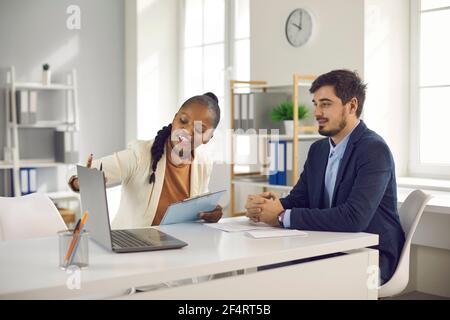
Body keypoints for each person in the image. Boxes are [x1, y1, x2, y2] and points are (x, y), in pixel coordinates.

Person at [245, 70, 405, 284]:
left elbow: (354, 218)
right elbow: (300, 199)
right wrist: (267, 207)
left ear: (352, 106)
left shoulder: (374, 150)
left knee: (286, 276)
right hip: (330, 246)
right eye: (315, 103)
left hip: (372, 257)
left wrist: (282, 216)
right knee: (264, 266)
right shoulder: (318, 149)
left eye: (326, 104)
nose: (317, 112)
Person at [69, 92, 223, 229]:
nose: (186, 131)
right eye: (183, 121)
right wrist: (80, 181)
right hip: (132, 245)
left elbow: (196, 209)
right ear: (175, 118)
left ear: (208, 138)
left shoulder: (203, 163)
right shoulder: (140, 155)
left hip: (177, 248)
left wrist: (209, 214)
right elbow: (78, 171)